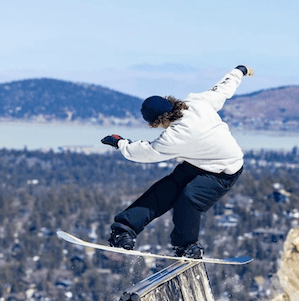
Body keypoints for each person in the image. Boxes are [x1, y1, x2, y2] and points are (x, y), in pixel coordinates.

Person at [101, 65, 253, 259]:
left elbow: (146, 153)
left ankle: (187, 246)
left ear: (157, 121)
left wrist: (119, 143)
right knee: (165, 190)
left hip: (224, 171)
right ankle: (125, 229)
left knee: (189, 198)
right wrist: (239, 71)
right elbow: (222, 88)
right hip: (199, 163)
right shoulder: (197, 102)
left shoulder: (175, 136)